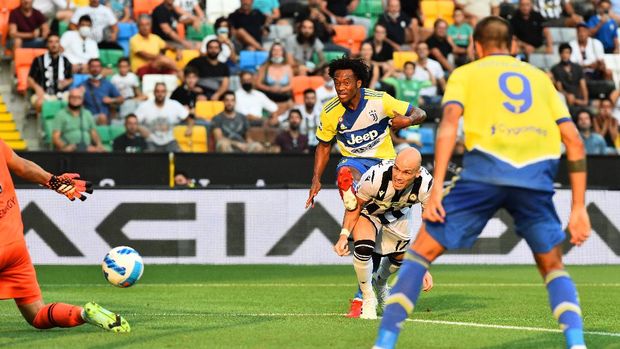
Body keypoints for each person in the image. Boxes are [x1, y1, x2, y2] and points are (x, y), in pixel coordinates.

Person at [374, 17, 591, 349]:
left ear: (476, 45)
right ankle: (577, 345)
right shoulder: (541, 78)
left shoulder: (465, 74)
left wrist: (435, 192)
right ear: (514, 47)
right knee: (552, 267)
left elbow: (448, 127)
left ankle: (384, 344)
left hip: (484, 173)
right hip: (534, 178)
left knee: (419, 255)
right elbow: (574, 141)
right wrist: (578, 209)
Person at [0, 138, 130, 332]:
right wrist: (52, 180)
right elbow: (23, 166)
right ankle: (83, 314)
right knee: (37, 314)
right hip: (15, 248)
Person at [305, 57, 426, 213]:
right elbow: (323, 146)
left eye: (346, 82)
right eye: (337, 83)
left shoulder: (380, 100)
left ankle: (363, 207)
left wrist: (408, 120)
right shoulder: (329, 111)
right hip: (355, 161)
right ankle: (353, 196)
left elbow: (420, 113)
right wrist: (316, 179)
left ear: (359, 83)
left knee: (389, 216)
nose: (340, 88)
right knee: (346, 171)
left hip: (385, 161)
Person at [333, 148, 434, 319]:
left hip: (399, 215)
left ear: (417, 173)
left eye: (406, 172)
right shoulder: (376, 177)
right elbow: (355, 208)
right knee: (363, 248)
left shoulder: (426, 184)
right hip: (370, 212)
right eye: (397, 168)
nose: (399, 176)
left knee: (399, 259)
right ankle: (368, 298)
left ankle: (380, 284)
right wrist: (344, 235)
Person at [134, 82, 193, 152]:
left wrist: (190, 128)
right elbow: (132, 122)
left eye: (162, 91)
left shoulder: (174, 105)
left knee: (181, 158)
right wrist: (139, 128)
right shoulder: (145, 106)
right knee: (147, 160)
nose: (160, 94)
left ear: (166, 93)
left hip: (170, 141)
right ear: (154, 92)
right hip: (150, 141)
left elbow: (189, 119)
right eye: (157, 91)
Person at [27, 34, 73, 113]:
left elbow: (70, 78)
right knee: (40, 103)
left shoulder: (65, 60)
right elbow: (30, 78)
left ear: (59, 44)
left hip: (61, 93)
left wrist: (66, 82)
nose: (54, 45)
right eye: (51, 42)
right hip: (43, 93)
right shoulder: (38, 60)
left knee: (75, 102)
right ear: (47, 44)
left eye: (56, 42)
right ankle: (41, 124)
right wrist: (37, 88)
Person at [51, 87, 106, 152]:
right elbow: (55, 137)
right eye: (73, 97)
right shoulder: (61, 114)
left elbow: (93, 133)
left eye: (78, 97)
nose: (75, 99)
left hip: (87, 150)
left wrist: (99, 146)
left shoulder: (87, 113)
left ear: (82, 100)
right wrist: (65, 147)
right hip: (69, 151)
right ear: (68, 98)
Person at [79, 58, 124, 125]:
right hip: (90, 118)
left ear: (101, 68)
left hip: (108, 117)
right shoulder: (82, 86)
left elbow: (121, 99)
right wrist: (80, 95)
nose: (95, 69)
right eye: (93, 66)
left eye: (97, 66)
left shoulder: (107, 84)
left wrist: (112, 100)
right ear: (88, 68)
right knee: (102, 117)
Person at [256, 43, 294, 116]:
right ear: (271, 53)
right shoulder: (264, 67)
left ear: (283, 53)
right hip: (269, 100)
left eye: (279, 50)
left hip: (284, 100)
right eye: (274, 50)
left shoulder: (288, 68)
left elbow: (291, 85)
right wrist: (269, 89)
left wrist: (280, 90)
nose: (277, 52)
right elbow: (258, 84)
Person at [551, 43, 588, 107]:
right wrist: (567, 96)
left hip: (578, 96)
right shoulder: (555, 69)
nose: (565, 55)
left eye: (567, 53)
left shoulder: (577, 67)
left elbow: (583, 85)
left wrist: (585, 100)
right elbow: (559, 87)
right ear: (560, 54)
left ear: (570, 54)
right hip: (565, 98)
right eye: (563, 53)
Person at [412, 42, 446, 106]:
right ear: (416, 51)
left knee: (441, 101)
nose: (422, 51)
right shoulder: (411, 66)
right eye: (419, 49)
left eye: (424, 49)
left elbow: (443, 84)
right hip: (416, 98)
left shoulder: (435, 64)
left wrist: (448, 98)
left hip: (433, 98)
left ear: (428, 51)